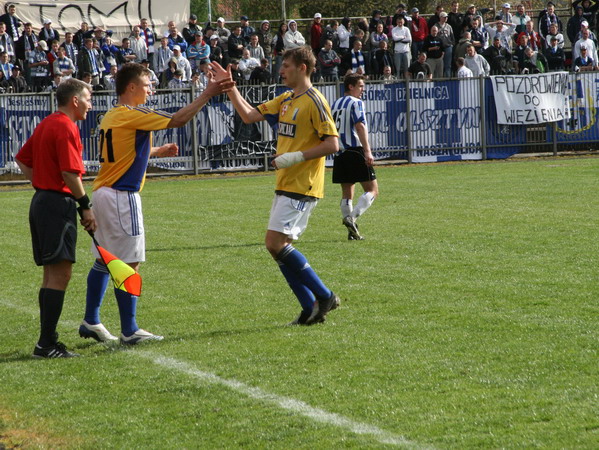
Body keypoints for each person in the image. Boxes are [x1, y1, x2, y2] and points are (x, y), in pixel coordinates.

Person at [80, 62, 234, 344]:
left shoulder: (113, 115)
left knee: (104, 262)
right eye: (147, 85)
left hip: (102, 192)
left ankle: (91, 320)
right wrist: (208, 93)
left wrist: (157, 150)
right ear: (131, 88)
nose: (151, 89)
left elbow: (123, 152)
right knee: (129, 262)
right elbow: (178, 119)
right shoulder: (134, 113)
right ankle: (130, 330)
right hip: (121, 196)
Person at [217, 46, 340, 326]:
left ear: (303, 68)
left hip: (304, 183)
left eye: (286, 65)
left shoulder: (315, 101)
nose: (280, 70)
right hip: (286, 183)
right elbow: (248, 115)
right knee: (276, 247)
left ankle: (324, 296)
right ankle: (310, 307)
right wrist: (229, 87)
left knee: (274, 243)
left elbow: (333, 143)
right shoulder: (286, 99)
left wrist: (295, 156)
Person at [15, 78, 96, 358]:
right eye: (88, 98)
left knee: (52, 273)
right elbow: (70, 173)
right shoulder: (65, 126)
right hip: (56, 204)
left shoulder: (47, 122)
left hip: (42, 202)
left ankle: (46, 342)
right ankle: (46, 344)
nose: (90, 104)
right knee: (60, 272)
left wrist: (42, 183)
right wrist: (85, 206)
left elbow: (22, 159)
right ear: (75, 100)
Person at [330, 73, 378, 241]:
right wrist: (367, 151)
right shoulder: (356, 102)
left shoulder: (334, 104)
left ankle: (352, 233)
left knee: (346, 194)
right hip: (355, 150)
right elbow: (359, 126)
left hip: (340, 153)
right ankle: (352, 218)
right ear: (351, 86)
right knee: (372, 190)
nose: (363, 89)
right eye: (360, 86)